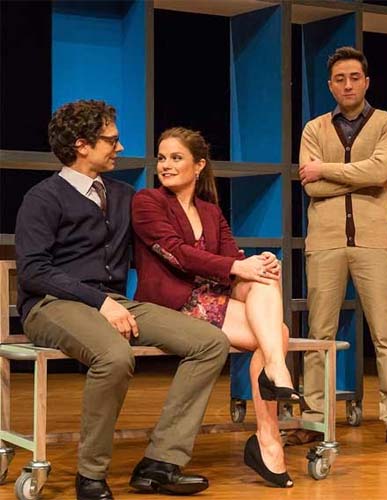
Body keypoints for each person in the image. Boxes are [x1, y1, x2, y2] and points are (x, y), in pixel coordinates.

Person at [15, 100, 230, 500]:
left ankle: (160, 463)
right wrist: (99, 302)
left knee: (210, 342)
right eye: (111, 140)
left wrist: (237, 268)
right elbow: (34, 271)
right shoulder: (43, 198)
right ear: (82, 145)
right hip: (50, 305)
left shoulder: (123, 195)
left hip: (113, 301)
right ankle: (90, 475)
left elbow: (169, 244)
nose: (120, 146)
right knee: (114, 356)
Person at [131, 127, 296, 488]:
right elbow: (178, 253)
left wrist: (259, 263)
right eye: (162, 158)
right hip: (171, 304)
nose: (165, 165)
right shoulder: (147, 202)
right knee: (277, 335)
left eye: (176, 158)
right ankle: (269, 431)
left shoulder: (209, 211)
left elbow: (231, 257)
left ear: (199, 165)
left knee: (265, 279)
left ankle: (269, 430)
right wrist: (239, 266)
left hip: (213, 299)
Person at [294, 46, 387, 448]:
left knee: (386, 334)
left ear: (366, 82)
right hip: (325, 241)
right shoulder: (314, 129)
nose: (347, 85)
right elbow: (311, 187)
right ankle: (314, 417)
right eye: (339, 79)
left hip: (375, 241)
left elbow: (381, 171)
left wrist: (327, 170)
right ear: (330, 85)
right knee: (319, 334)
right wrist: (362, 178)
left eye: (354, 77)